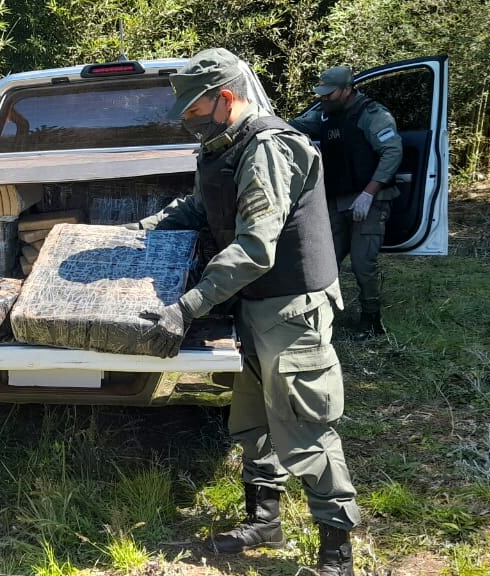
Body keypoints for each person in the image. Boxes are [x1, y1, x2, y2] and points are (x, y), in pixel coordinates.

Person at [128, 48, 361, 575]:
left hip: (291, 306)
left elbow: (257, 247)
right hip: (253, 304)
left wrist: (186, 307)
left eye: (193, 112)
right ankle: (265, 520)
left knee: (305, 421)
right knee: (253, 418)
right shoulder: (223, 146)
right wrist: (140, 232)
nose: (187, 123)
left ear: (225, 99)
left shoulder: (270, 149)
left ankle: (336, 550)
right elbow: (200, 207)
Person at [289, 66, 403, 336]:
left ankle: (371, 318)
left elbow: (392, 152)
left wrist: (369, 193)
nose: (324, 98)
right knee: (324, 258)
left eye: (329, 94)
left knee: (363, 262)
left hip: (369, 200)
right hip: (337, 199)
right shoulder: (326, 114)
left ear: (347, 89)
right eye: (322, 94)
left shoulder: (373, 115)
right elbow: (296, 125)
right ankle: (320, 312)